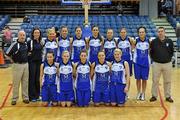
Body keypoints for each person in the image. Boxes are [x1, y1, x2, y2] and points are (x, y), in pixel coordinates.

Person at [150, 27, 174, 103]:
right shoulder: (154, 42)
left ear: (164, 32)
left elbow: (171, 52)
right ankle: (154, 96)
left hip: (167, 64)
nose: (160, 33)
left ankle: (168, 96)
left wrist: (167, 58)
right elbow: (151, 52)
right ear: (157, 33)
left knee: (167, 81)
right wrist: (155, 59)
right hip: (156, 64)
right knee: (155, 81)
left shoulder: (169, 41)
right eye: (159, 31)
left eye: (162, 31)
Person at [5, 30, 29, 105]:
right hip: (17, 65)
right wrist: (12, 60)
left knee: (25, 82)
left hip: (26, 65)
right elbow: (6, 54)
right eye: (21, 35)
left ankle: (25, 97)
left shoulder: (26, 44)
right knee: (16, 83)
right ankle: (14, 98)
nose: (22, 37)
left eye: (23, 35)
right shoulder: (14, 44)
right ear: (18, 36)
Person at [133, 26, 151, 101]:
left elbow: (151, 51)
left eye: (143, 32)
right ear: (138, 33)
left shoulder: (149, 41)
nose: (141, 33)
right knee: (138, 79)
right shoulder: (135, 41)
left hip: (146, 63)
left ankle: (143, 93)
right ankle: (138, 92)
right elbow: (132, 49)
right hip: (137, 62)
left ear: (145, 33)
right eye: (140, 32)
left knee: (144, 79)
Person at [27, 27, 43, 102]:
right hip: (32, 62)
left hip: (39, 62)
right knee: (32, 79)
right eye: (35, 33)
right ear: (33, 34)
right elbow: (26, 52)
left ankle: (37, 95)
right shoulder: (30, 42)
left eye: (38, 33)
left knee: (37, 79)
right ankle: (31, 96)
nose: (37, 34)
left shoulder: (40, 41)